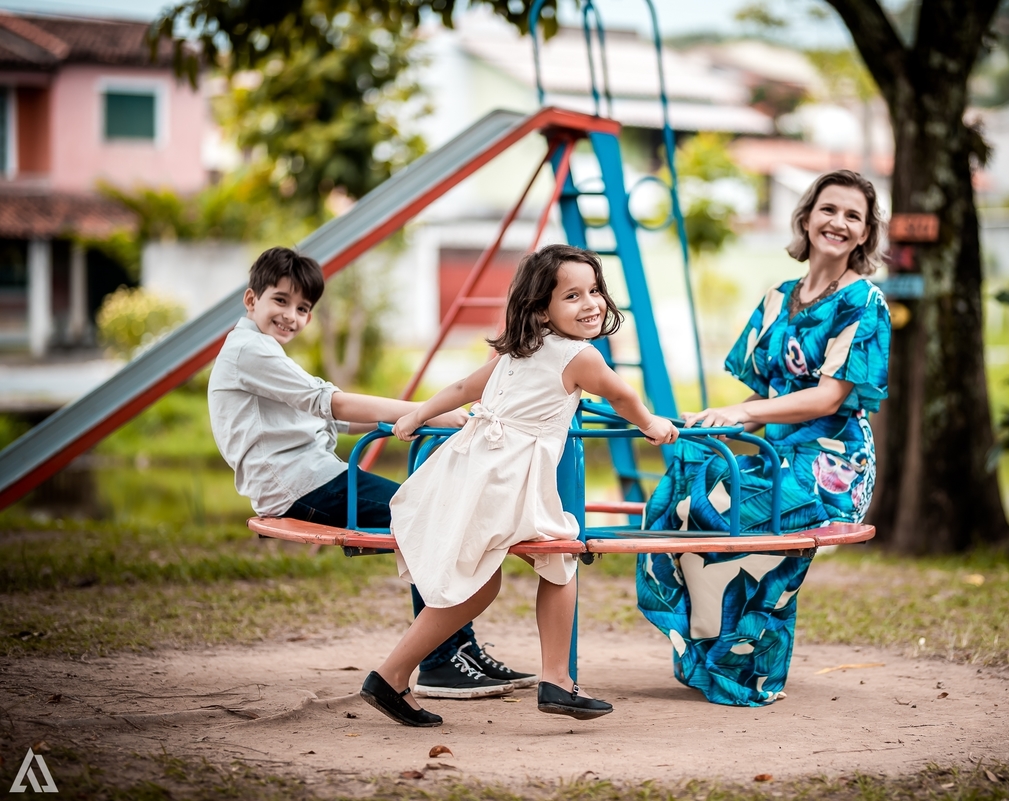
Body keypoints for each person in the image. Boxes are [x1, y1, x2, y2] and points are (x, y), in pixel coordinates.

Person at [357, 243, 679, 727]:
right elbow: (620, 393)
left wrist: (418, 414)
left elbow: (465, 388)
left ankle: (400, 676)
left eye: (594, 291)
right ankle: (541, 680)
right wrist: (650, 423)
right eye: (572, 296)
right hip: (506, 475)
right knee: (547, 560)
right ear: (541, 308)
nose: (590, 303)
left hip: (472, 465)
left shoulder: (518, 349)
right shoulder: (580, 356)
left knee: (510, 575)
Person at [209, 246, 535, 700]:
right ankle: (444, 661)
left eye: (302, 308)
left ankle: (458, 650)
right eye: (280, 301)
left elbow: (339, 419)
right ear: (251, 301)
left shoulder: (260, 350)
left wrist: (420, 416)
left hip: (312, 477)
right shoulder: (250, 351)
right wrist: (432, 413)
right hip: (300, 484)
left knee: (433, 514)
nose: (291, 316)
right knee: (432, 520)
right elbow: (336, 403)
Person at [636, 170, 892, 707]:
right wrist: (713, 424)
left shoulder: (865, 303)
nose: (838, 223)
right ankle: (709, 653)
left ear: (866, 234)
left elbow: (825, 400)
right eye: (829, 210)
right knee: (683, 503)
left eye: (853, 216)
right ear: (806, 217)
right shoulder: (778, 298)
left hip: (831, 462)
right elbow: (763, 403)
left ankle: (747, 668)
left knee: (738, 517)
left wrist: (742, 411)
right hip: (773, 451)